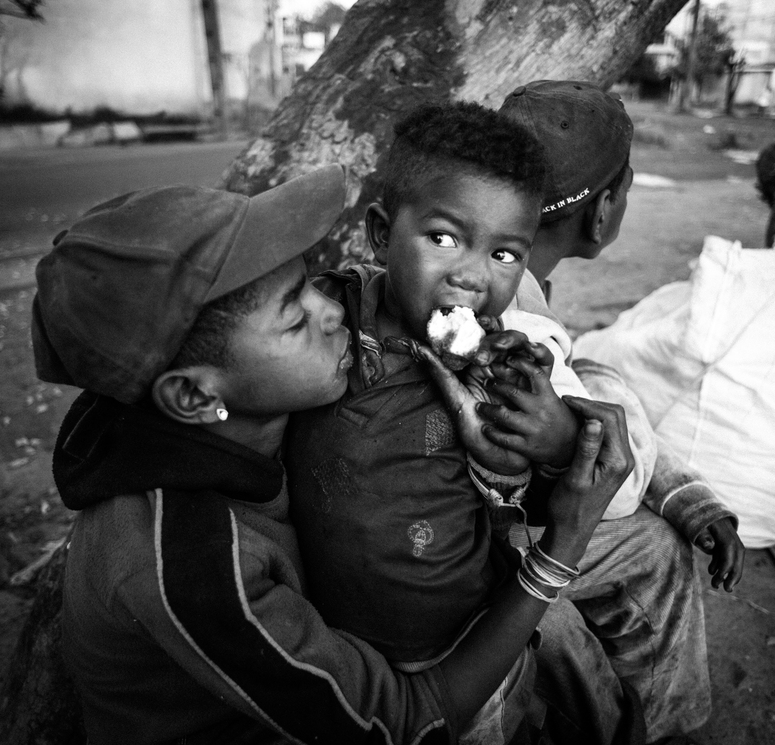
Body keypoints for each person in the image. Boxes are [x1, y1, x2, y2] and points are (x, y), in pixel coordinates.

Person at [32, 165, 639, 745]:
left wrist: (542, 441)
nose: (331, 310)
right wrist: (561, 548)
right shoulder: (187, 560)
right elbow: (408, 727)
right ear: (193, 394)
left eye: (308, 282)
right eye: (295, 317)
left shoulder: (244, 416)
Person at [284, 102, 645, 744]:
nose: (474, 275)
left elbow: (520, 499)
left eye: (506, 254)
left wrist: (535, 448)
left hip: (471, 649)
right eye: (443, 238)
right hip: (343, 651)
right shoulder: (327, 318)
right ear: (379, 233)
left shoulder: (505, 366)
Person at [498, 80, 746, 741]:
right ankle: (667, 726)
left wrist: (687, 493)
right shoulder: (519, 319)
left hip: (460, 530)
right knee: (656, 546)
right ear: (602, 210)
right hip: (484, 552)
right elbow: (613, 483)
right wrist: (669, 496)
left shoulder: (491, 275)